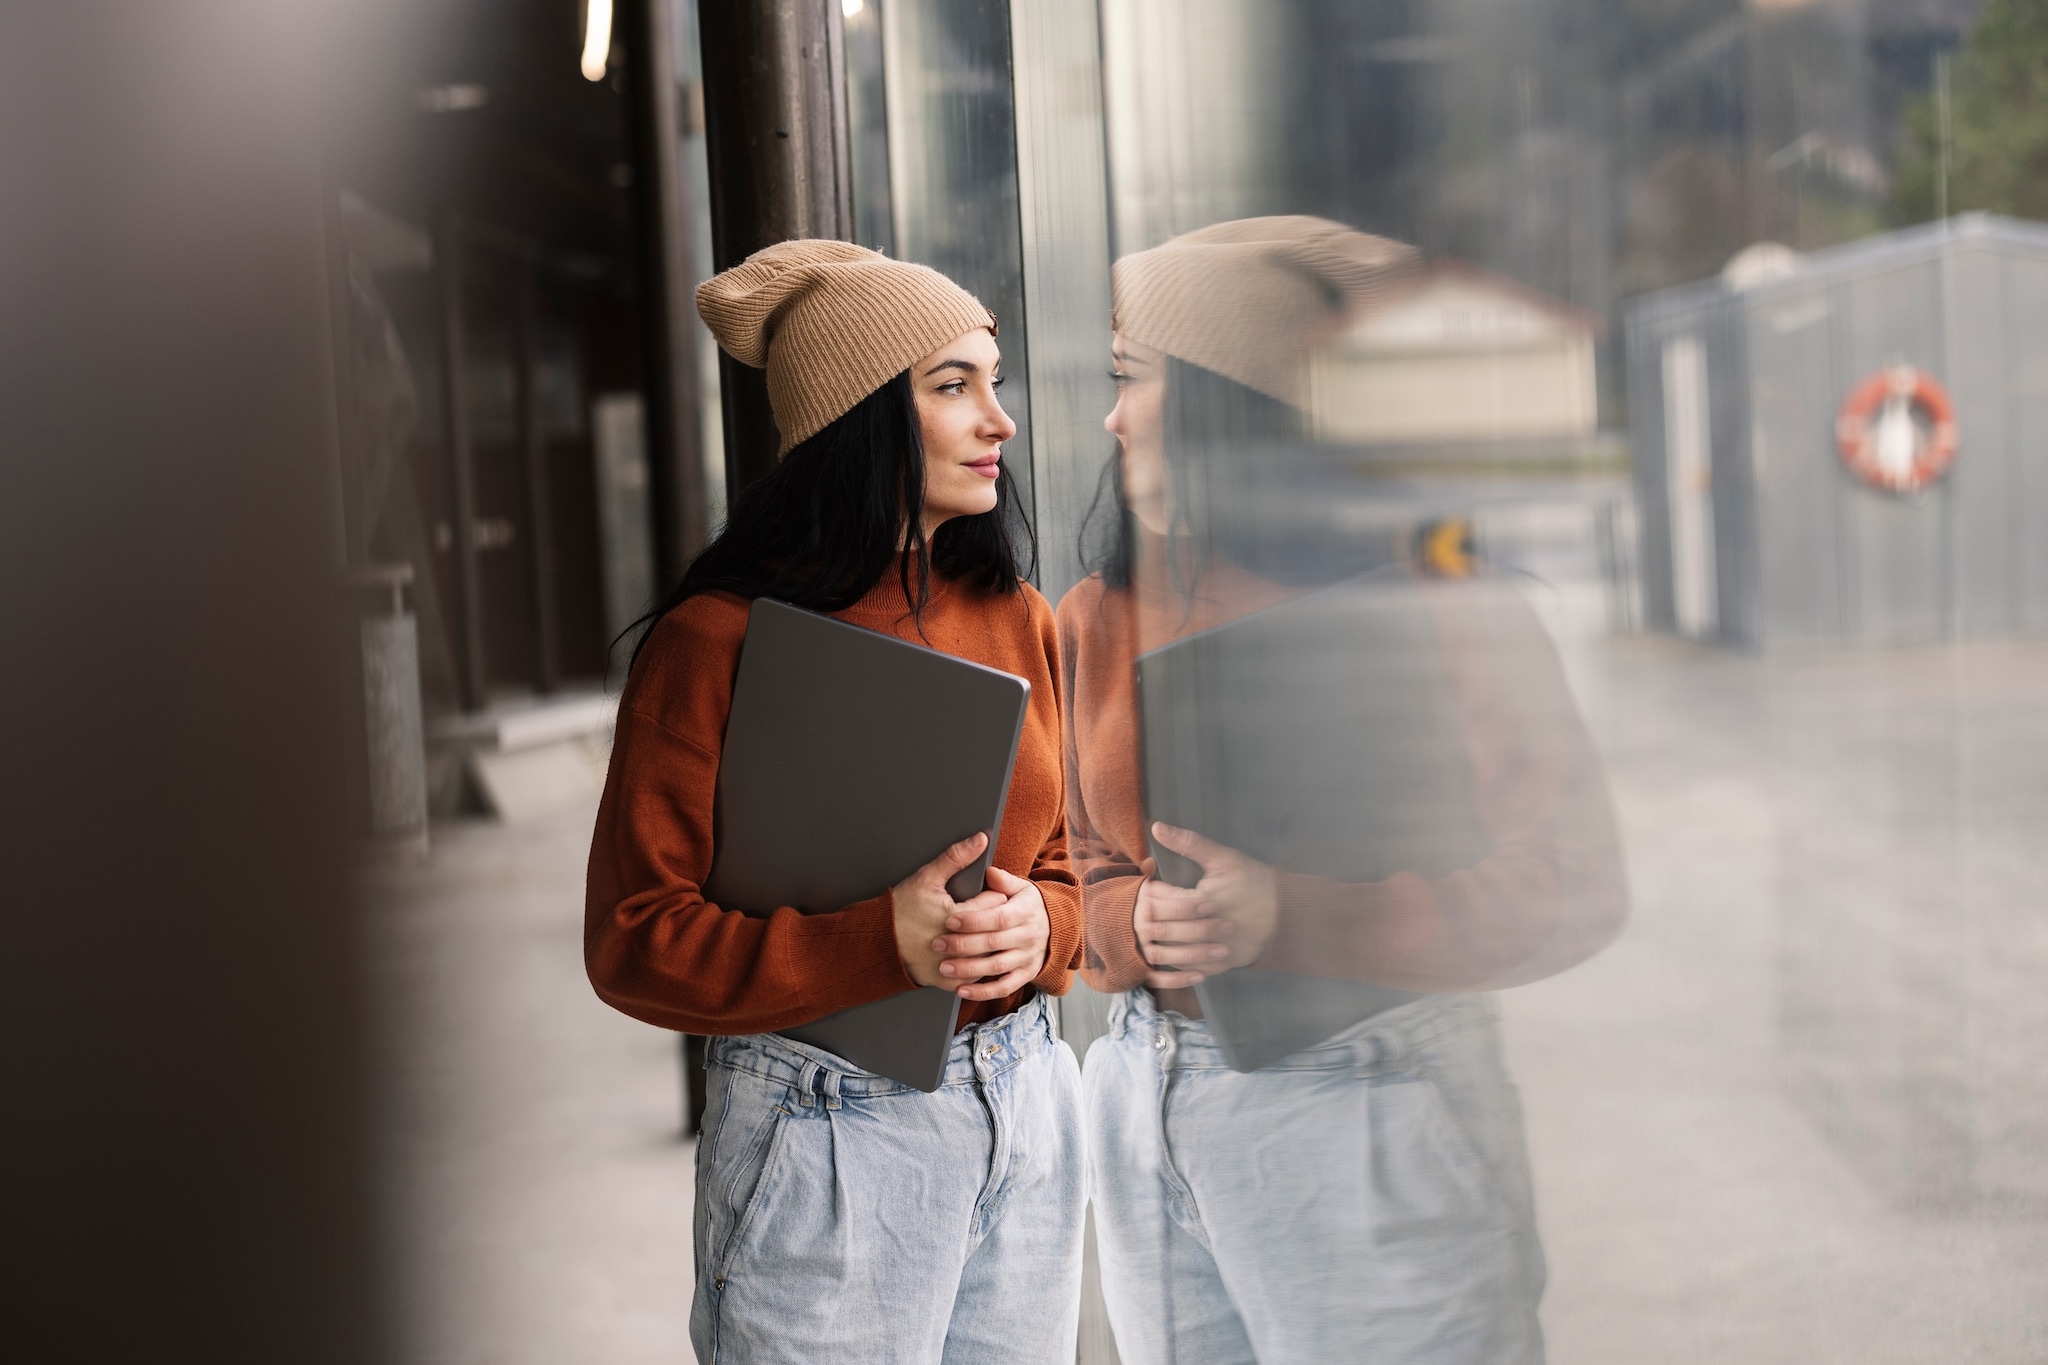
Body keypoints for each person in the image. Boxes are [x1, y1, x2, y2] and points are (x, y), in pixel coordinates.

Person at [1056, 217, 1629, 1363]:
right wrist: (1130, 923)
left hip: (1371, 1103)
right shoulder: (1093, 614)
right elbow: (1074, 868)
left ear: (1226, 400)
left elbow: (1570, 884)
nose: (1110, 417)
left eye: (1134, 380)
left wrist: (1295, 914)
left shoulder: (1440, 611)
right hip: (1141, 1109)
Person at [585, 240, 1085, 1364]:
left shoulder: (1019, 617)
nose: (997, 420)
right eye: (951, 387)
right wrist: (875, 945)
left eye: (991, 382)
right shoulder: (715, 646)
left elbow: (1073, 864)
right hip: (825, 1131)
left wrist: (1043, 928)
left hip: (1028, 1108)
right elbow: (633, 943)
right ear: (856, 419)